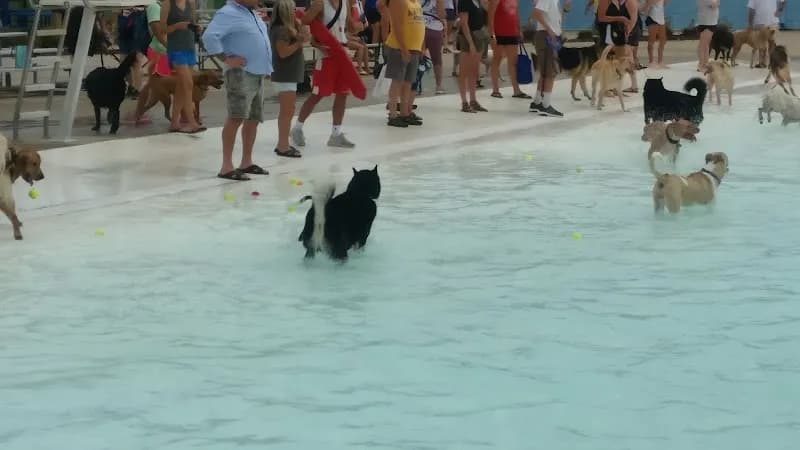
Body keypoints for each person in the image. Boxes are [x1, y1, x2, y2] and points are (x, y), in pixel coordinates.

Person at [202, 0, 273, 180]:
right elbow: (209, 36)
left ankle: (246, 161)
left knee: (253, 118)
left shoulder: (250, 12)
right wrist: (226, 58)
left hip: (257, 72)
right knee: (236, 117)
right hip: (241, 74)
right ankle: (226, 166)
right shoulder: (228, 12)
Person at [291, 0, 358, 148]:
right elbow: (303, 21)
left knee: (342, 94)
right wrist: (315, 42)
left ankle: (336, 134)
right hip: (327, 55)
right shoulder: (320, 3)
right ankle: (297, 128)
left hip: (343, 52)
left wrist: (357, 19)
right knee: (317, 94)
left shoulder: (345, 3)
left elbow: (351, 27)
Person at [271, 0, 309, 157]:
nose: (295, 12)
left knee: (288, 110)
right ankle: (283, 145)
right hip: (284, 74)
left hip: (288, 74)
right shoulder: (282, 31)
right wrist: (299, 43)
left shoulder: (286, 29)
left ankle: (283, 143)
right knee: (287, 112)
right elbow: (283, 52)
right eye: (293, 10)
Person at [162, 0, 205, 134]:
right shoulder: (168, 4)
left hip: (189, 46)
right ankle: (192, 122)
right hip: (176, 48)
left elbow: (192, 22)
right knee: (188, 83)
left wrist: (197, 27)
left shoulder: (190, 3)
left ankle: (175, 122)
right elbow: (162, 28)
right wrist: (176, 27)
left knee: (182, 86)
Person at [384, 0, 426, 127]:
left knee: (408, 82)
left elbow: (420, 23)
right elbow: (397, 25)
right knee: (397, 81)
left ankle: (404, 113)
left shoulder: (416, 3)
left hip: (414, 47)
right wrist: (403, 48)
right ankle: (392, 114)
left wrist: (422, 46)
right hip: (400, 47)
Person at [133, 0, 171, 125]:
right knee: (153, 84)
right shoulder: (155, 6)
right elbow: (156, 30)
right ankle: (139, 112)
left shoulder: (167, 5)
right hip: (159, 50)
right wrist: (168, 46)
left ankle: (140, 112)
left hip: (166, 50)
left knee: (155, 84)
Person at [530, 0, 566, 117]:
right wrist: (550, 31)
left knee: (545, 72)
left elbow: (553, 19)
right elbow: (537, 13)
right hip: (547, 37)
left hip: (547, 36)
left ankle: (537, 102)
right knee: (551, 72)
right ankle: (546, 105)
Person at [487, 0, 529, 99]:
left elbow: (516, 14)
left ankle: (516, 90)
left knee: (513, 61)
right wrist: (492, 34)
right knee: (497, 59)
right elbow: (490, 16)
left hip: (512, 32)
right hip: (499, 33)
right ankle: (495, 89)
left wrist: (519, 30)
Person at [456, 0, 489, 113]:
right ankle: (464, 102)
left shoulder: (479, 2)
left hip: (479, 36)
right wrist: (470, 43)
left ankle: (473, 100)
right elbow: (464, 23)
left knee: (474, 71)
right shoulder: (464, 1)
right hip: (468, 38)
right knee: (464, 71)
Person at [747, 0, 785, 67]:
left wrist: (750, 24)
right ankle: (771, 62)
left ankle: (762, 63)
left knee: (762, 43)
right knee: (771, 43)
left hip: (761, 22)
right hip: (770, 22)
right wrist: (780, 11)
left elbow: (751, 10)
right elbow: (783, 1)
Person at [421, 0, 446, 94]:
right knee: (437, 58)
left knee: (417, 57)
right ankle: (439, 85)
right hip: (434, 28)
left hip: (419, 26)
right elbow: (442, 14)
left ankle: (414, 85)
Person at [696, 0, 719, 71]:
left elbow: (716, 4)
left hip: (711, 22)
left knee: (706, 45)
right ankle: (701, 64)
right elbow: (714, 4)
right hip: (706, 23)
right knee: (702, 45)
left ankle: (705, 63)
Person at [643, 0, 667, 69]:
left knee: (663, 40)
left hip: (661, 17)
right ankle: (651, 61)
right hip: (652, 17)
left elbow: (664, 4)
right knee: (651, 40)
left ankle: (660, 61)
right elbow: (647, 6)